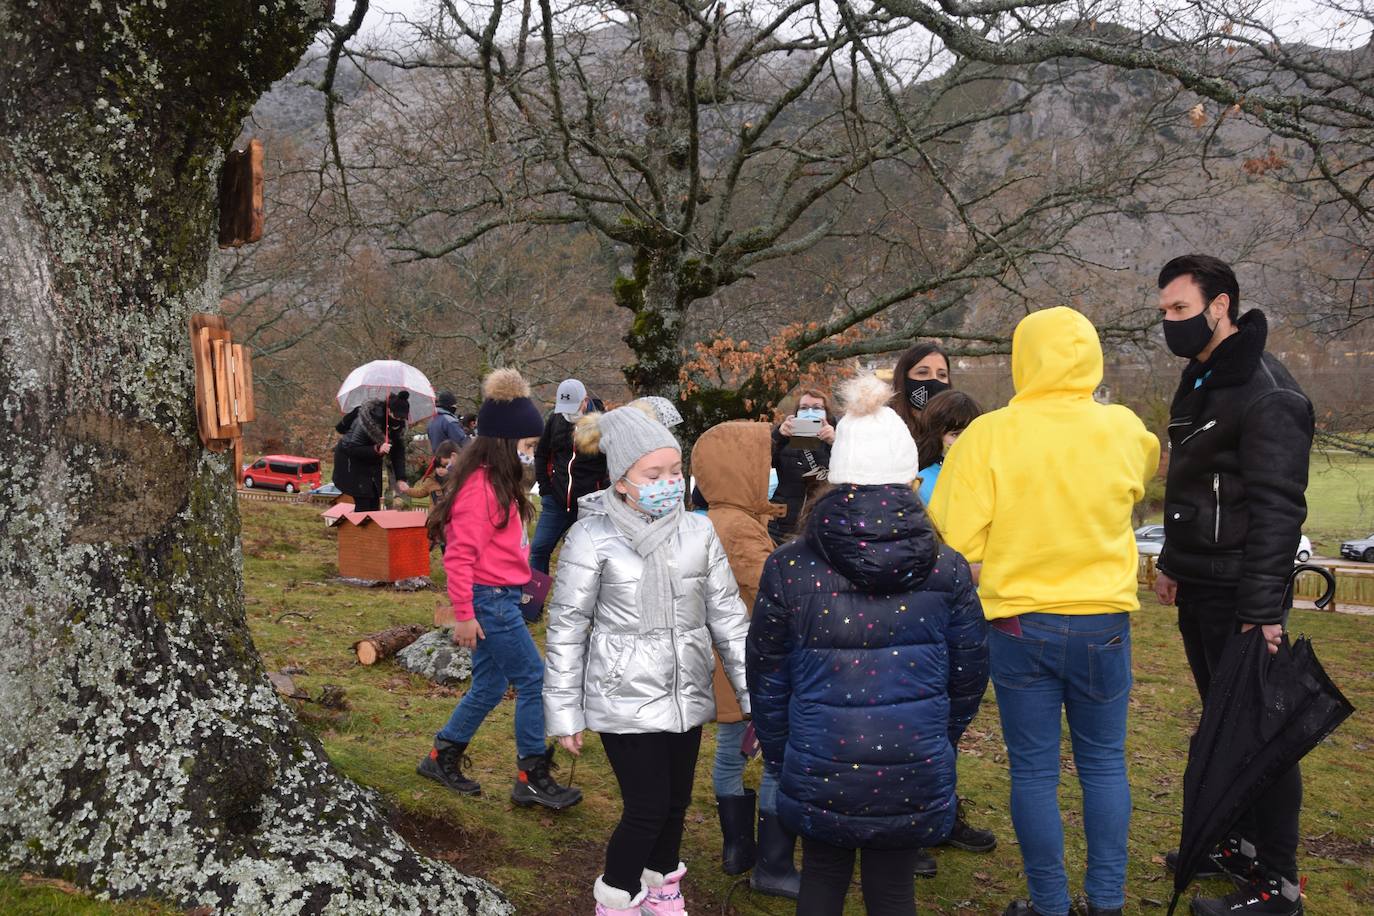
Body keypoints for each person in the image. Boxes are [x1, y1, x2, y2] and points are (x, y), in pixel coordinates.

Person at [927, 307, 1160, 916]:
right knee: (1105, 764)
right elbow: (1145, 466)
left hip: (1019, 623)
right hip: (1104, 622)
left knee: (1033, 772)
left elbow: (953, 536)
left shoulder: (989, 436)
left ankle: (1049, 904)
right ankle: (1105, 902)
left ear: (1022, 358)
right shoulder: (1125, 429)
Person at [748, 374, 989, 916]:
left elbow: (766, 675)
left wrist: (788, 754)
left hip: (818, 756)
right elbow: (969, 672)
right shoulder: (948, 568)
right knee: (894, 890)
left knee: (823, 880)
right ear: (909, 478)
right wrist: (935, 737)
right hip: (912, 759)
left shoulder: (788, 566)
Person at [1151, 255, 1314, 916]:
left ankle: (1279, 885)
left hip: (1243, 594)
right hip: (1201, 584)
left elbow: (1279, 507)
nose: (1170, 323)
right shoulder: (1203, 378)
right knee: (1225, 728)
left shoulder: (1268, 390)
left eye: (1181, 310)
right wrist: (1172, 560)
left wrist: (1262, 612)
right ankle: (1238, 847)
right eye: (1164, 312)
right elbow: (1195, 485)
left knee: (1261, 735)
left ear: (1221, 306)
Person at [542, 405, 752, 916]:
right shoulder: (592, 537)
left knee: (677, 802)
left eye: (675, 472)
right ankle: (615, 898)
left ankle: (661, 888)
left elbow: (727, 616)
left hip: (686, 690)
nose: (668, 483)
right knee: (647, 806)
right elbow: (567, 629)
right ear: (621, 481)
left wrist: (752, 693)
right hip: (622, 693)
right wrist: (565, 714)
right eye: (653, 474)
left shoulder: (698, 532)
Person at [416, 368, 582, 812]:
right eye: (528, 447)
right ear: (507, 443)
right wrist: (465, 614)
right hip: (489, 601)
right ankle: (531, 774)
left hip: (502, 595)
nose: (532, 454)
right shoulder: (480, 490)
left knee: (489, 686)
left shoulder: (500, 484)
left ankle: (441, 755)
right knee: (534, 680)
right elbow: (458, 557)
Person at [690, 421, 799, 899]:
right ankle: (772, 863)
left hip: (725, 663)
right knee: (774, 759)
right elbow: (775, 591)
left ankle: (738, 849)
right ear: (740, 469)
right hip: (752, 665)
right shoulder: (737, 527)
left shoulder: (720, 517)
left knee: (733, 749)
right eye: (763, 462)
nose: (770, 470)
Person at [531, 378, 610, 574]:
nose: (569, 413)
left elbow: (613, 461)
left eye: (573, 407)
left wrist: (604, 490)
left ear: (585, 401)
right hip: (556, 500)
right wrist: (546, 489)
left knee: (586, 559)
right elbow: (542, 454)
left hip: (591, 504)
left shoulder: (603, 422)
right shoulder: (556, 419)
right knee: (538, 549)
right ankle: (532, 603)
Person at [768, 387, 835, 545]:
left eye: (817, 408)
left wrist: (835, 443)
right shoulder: (784, 439)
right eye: (804, 408)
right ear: (796, 413)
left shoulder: (840, 440)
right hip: (782, 528)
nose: (810, 411)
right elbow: (758, 463)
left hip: (822, 525)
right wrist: (778, 436)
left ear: (827, 414)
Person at [332, 390, 412, 511]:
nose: (400, 420)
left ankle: (371, 528)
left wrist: (400, 478)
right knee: (363, 502)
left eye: (403, 418)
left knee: (374, 501)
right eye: (397, 416)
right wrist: (377, 449)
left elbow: (398, 454)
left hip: (372, 463)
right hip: (350, 460)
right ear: (389, 411)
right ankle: (358, 529)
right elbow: (353, 448)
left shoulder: (397, 426)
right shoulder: (367, 420)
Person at [915, 390, 983, 506]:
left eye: (970, 433)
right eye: (955, 434)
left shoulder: (985, 474)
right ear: (935, 436)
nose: (964, 440)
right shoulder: (922, 483)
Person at [891, 340, 951, 442]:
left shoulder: (959, 424)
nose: (934, 380)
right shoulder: (884, 425)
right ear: (904, 378)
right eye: (923, 372)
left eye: (942, 375)